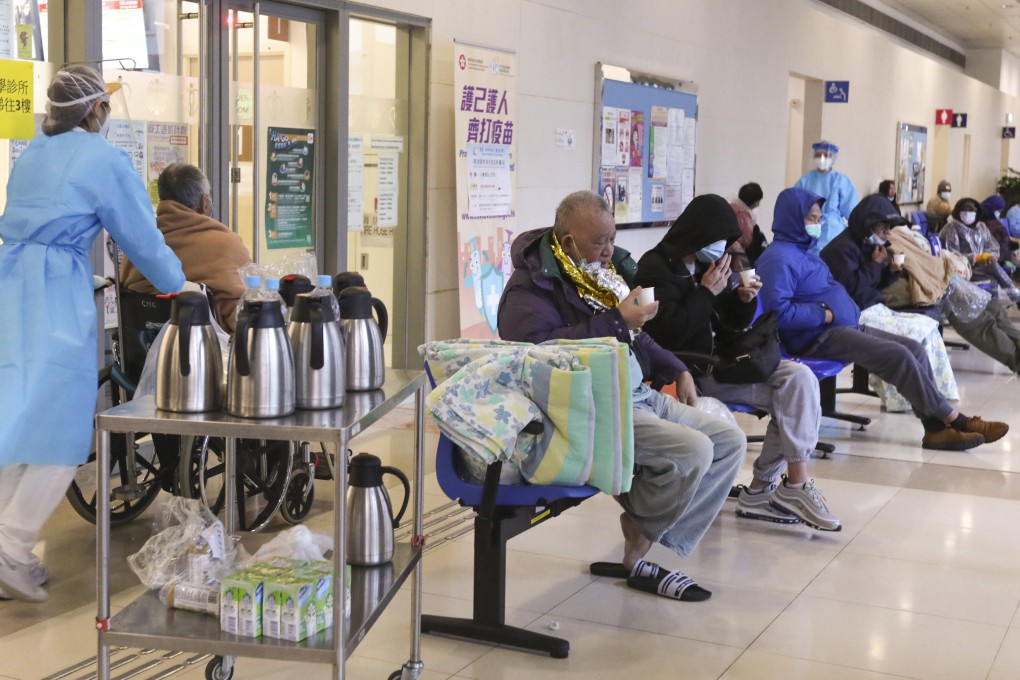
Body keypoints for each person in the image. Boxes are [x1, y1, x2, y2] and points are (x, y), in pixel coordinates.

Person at [497, 190, 746, 601]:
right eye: (600, 242)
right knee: (694, 452)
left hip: (633, 391)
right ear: (569, 241)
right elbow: (538, 355)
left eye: (612, 239)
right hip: (592, 405)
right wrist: (617, 320)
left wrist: (677, 368)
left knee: (729, 442)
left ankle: (643, 529)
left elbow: (639, 337)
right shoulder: (529, 290)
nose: (610, 251)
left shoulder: (597, 273)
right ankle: (639, 551)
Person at [0, 65, 190, 602]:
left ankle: (4, 546)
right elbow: (141, 237)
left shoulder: (34, 152)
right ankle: (12, 547)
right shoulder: (101, 158)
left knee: (16, 420)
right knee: (61, 428)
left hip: (10, 287)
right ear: (96, 110)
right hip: (52, 291)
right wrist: (179, 283)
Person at [636, 194, 840, 532]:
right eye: (719, 240)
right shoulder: (654, 267)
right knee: (786, 397)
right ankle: (775, 489)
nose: (723, 249)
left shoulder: (706, 265)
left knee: (799, 379)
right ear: (700, 232)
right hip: (691, 372)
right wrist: (704, 293)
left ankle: (781, 485)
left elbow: (726, 321)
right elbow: (665, 334)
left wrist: (742, 300)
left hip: (724, 360)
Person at [756, 187, 1007, 451]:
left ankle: (934, 430)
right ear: (792, 218)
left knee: (914, 349)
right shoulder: (778, 258)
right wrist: (824, 313)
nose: (818, 224)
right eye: (812, 219)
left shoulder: (804, 252)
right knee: (898, 357)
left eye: (819, 219)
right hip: (815, 336)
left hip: (838, 326)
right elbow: (778, 313)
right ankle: (957, 420)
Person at [820, 194, 959, 412]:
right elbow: (852, 289)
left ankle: (936, 395)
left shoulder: (868, 245)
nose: (887, 232)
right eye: (884, 227)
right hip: (857, 313)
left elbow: (873, 285)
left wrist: (890, 272)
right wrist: (875, 265)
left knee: (929, 327)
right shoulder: (842, 249)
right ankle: (908, 399)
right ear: (867, 225)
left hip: (874, 307)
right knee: (914, 333)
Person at [120, 163, 253, 333]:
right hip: (210, 353)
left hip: (145, 353)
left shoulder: (139, 248)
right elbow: (242, 315)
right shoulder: (227, 245)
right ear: (205, 202)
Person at [940, 197, 1020, 302]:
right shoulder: (952, 228)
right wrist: (977, 257)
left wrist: (990, 255)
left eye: (971, 211)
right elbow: (951, 256)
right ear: (958, 212)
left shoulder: (981, 227)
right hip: (964, 269)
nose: (967, 213)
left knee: (993, 269)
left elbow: (993, 245)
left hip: (982, 266)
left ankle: (1000, 305)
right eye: (964, 210)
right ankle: (1016, 297)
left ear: (977, 213)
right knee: (994, 269)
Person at [794, 140, 858, 254]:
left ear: (833, 158)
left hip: (834, 235)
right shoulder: (805, 180)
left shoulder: (841, 181)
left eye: (826, 155)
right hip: (810, 232)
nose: (822, 158)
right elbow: (795, 206)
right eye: (818, 155)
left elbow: (853, 214)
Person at [728, 182, 769, 270]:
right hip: (736, 259)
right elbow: (748, 241)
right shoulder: (743, 214)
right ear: (755, 201)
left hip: (726, 256)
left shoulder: (730, 208)